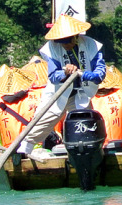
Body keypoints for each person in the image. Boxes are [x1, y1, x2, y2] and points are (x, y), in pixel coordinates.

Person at [19, 14, 107, 156]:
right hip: (58, 92)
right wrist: (65, 72)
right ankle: (23, 150)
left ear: (76, 36)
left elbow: (100, 73)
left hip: (81, 93)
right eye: (62, 42)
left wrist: (86, 74)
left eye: (68, 42)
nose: (65, 45)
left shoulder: (92, 45)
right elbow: (53, 76)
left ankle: (85, 154)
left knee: (84, 125)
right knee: (42, 121)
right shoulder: (51, 48)